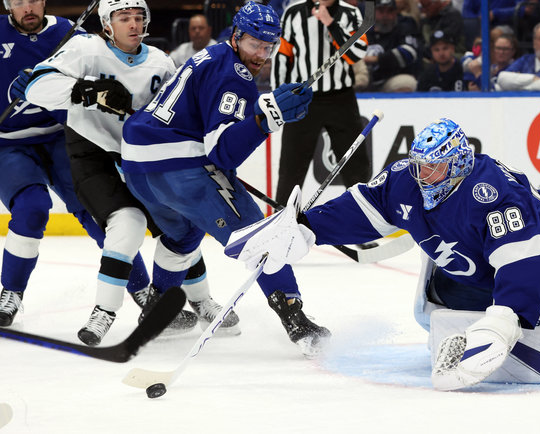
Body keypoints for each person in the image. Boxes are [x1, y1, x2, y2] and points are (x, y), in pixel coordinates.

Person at [233, 118, 540, 390]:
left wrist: (504, 321)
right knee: (439, 310)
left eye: (434, 167)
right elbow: (364, 208)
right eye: (419, 166)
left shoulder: (492, 193)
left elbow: (523, 261)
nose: (423, 176)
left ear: (458, 164)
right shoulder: (407, 179)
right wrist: (307, 227)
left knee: (524, 333)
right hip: (484, 260)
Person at [21, 0, 239, 346]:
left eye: (138, 17)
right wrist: (85, 90)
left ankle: (201, 301)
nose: (134, 24)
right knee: (128, 224)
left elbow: (180, 114)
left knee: (180, 226)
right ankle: (103, 312)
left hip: (142, 158)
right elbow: (35, 87)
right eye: (124, 18)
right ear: (107, 24)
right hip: (93, 153)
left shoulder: (161, 62)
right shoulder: (85, 49)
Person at [119, 2, 329, 357]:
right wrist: (267, 118)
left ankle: (157, 311)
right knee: (261, 237)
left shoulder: (214, 55)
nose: (260, 54)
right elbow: (222, 154)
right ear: (236, 36)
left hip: (138, 166)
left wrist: (260, 112)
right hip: (179, 169)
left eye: (268, 47)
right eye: (254, 44)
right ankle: (297, 322)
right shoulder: (235, 76)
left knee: (183, 235)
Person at [0, 0, 107, 327]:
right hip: (9, 144)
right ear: (8, 6)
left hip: (62, 137)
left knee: (101, 210)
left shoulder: (68, 33)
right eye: (19, 2)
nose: (27, 7)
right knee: (31, 208)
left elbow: (100, 79)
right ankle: (11, 292)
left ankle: (143, 292)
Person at [272, 0, 371, 207]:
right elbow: (282, 56)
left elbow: (356, 54)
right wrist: (279, 97)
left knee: (356, 167)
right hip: (302, 99)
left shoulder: (350, 12)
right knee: (291, 168)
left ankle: (363, 218)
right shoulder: (293, 12)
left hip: (341, 99)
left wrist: (331, 23)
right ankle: (283, 221)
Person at [364, 0, 422, 92]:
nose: (385, 15)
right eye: (381, 11)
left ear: (396, 12)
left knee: (406, 82)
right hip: (365, 80)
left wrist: (375, 59)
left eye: (390, 11)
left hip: (390, 79)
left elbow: (409, 52)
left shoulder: (405, 27)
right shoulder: (363, 31)